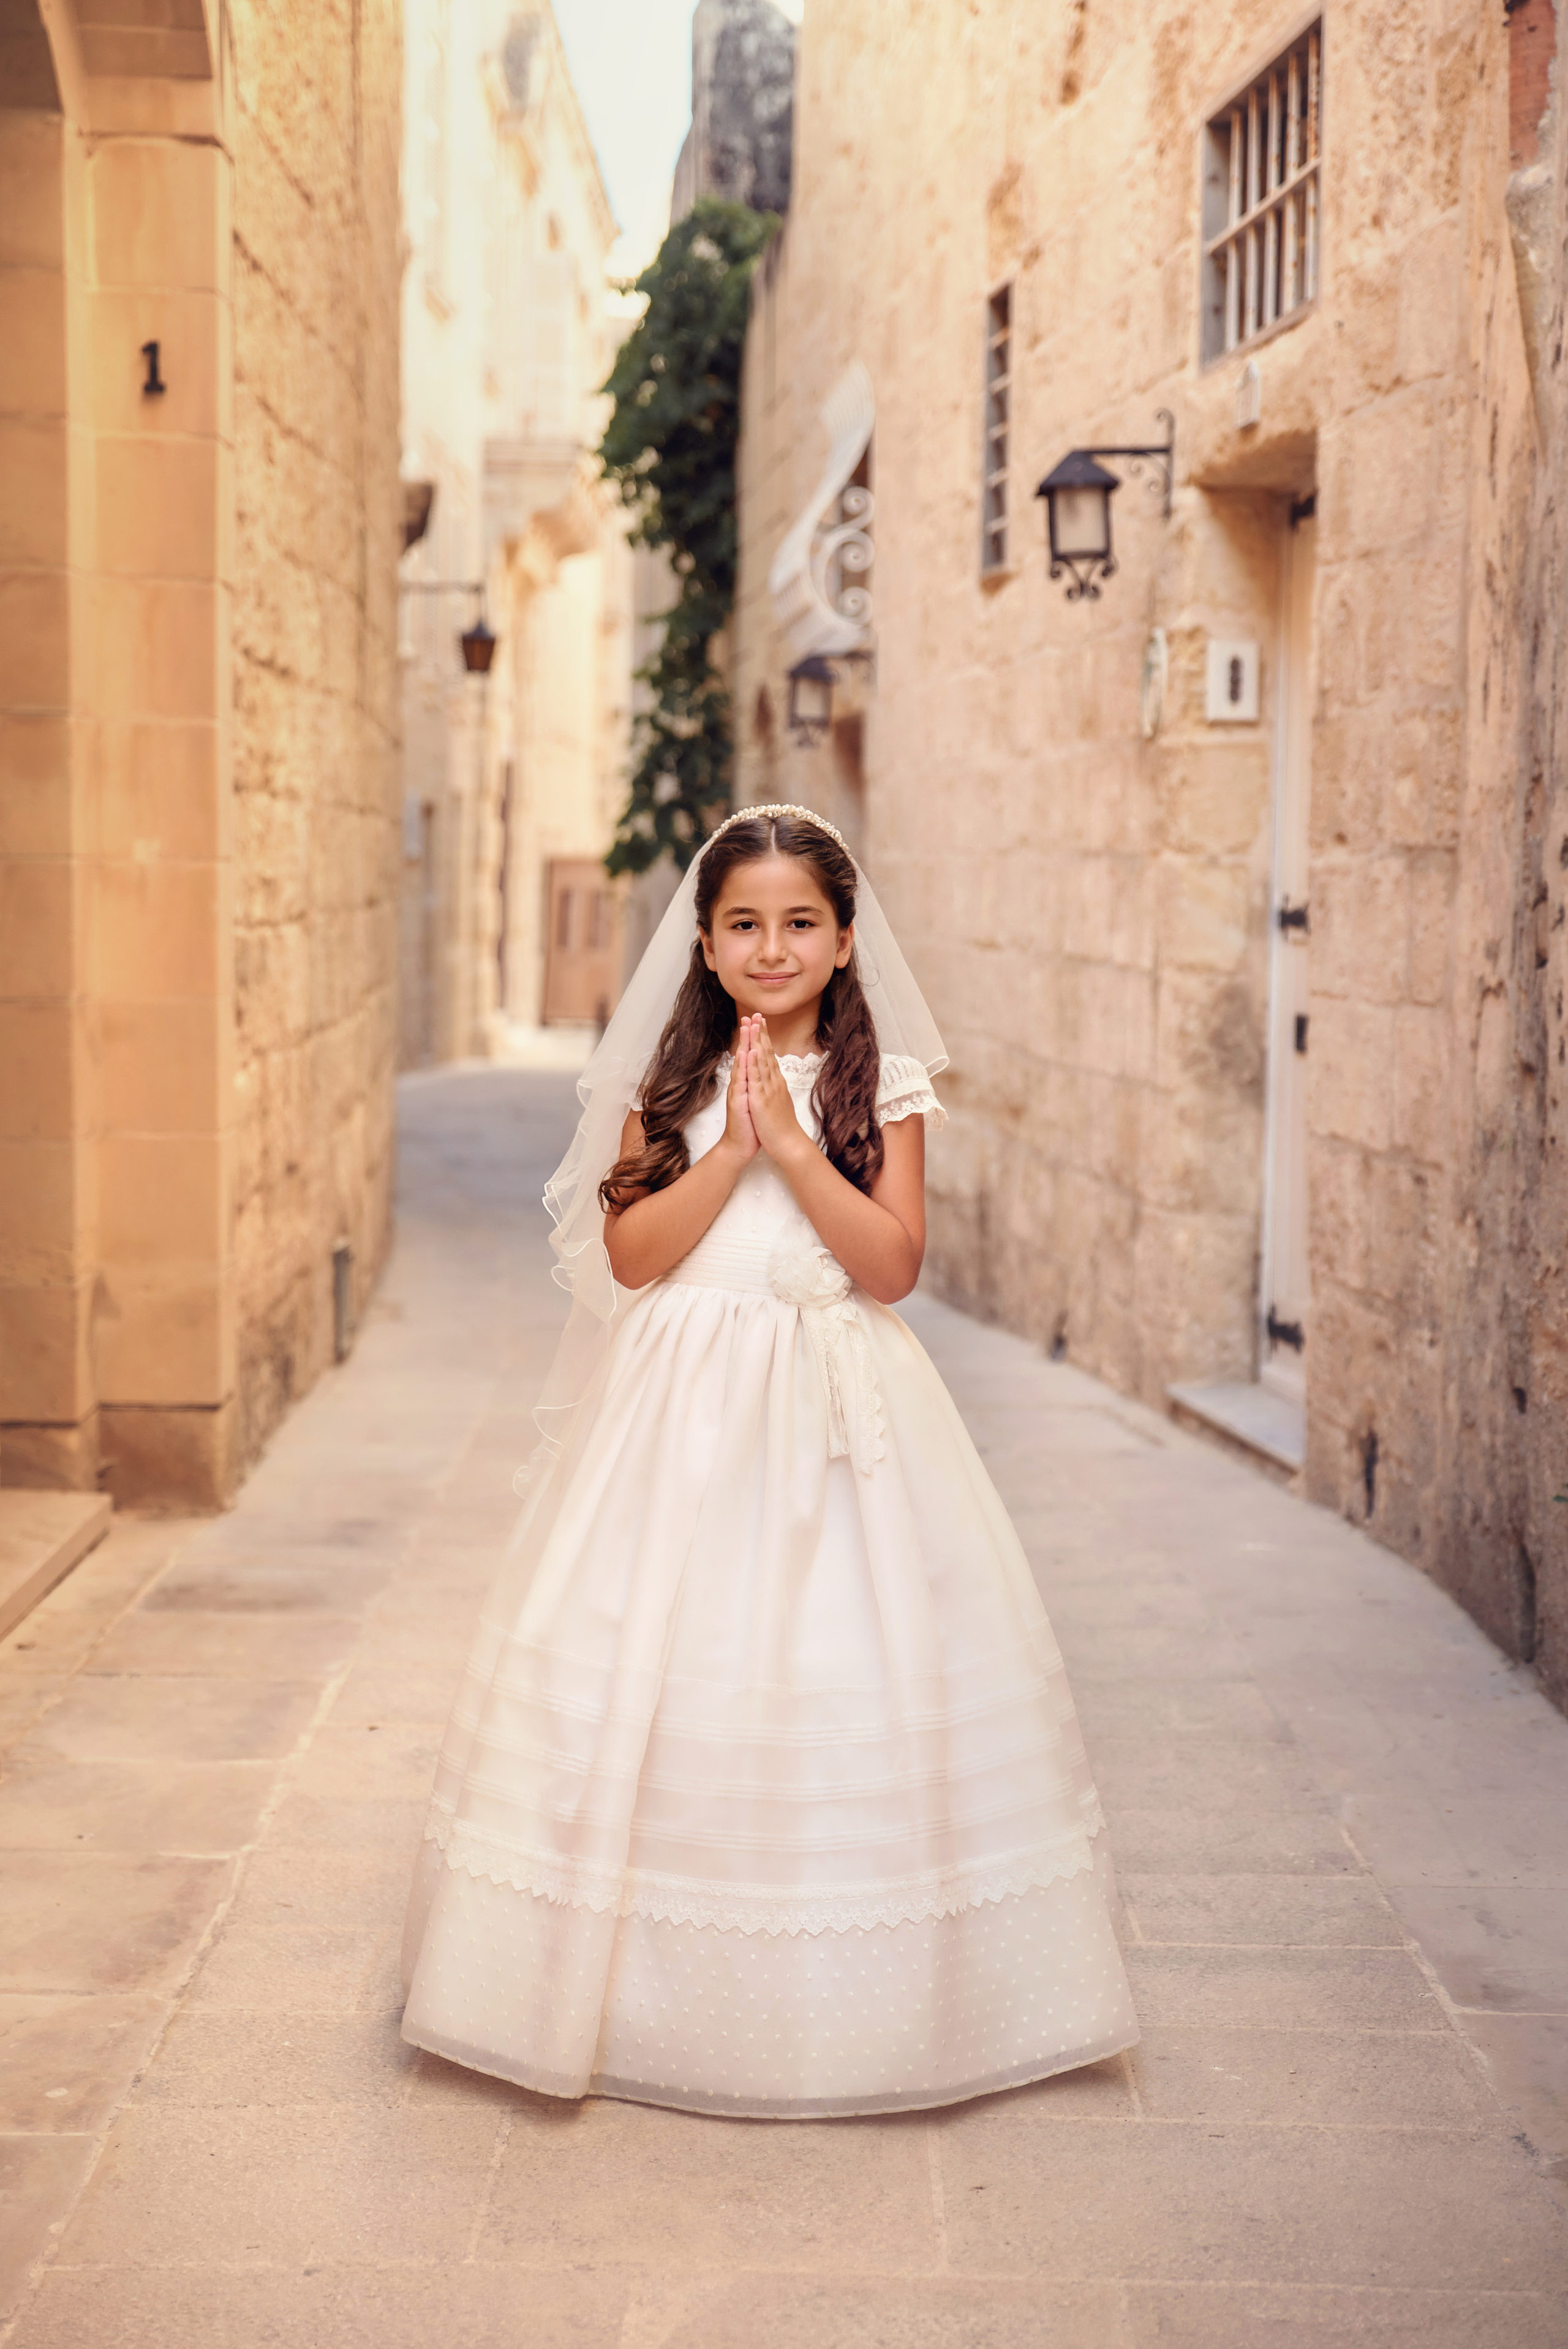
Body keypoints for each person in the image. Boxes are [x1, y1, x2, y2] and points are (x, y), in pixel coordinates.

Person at [400, 804, 1137, 2117]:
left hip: (834, 1399)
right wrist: (730, 1144)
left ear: (845, 941)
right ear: (704, 939)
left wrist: (791, 1146)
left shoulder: (884, 1085)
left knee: (839, 1662)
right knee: (662, 1651)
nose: (772, 945)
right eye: (743, 923)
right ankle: (622, 1987)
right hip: (679, 1400)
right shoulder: (669, 1088)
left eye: (800, 922)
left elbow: (891, 1268)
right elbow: (631, 1259)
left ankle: (871, 1995)